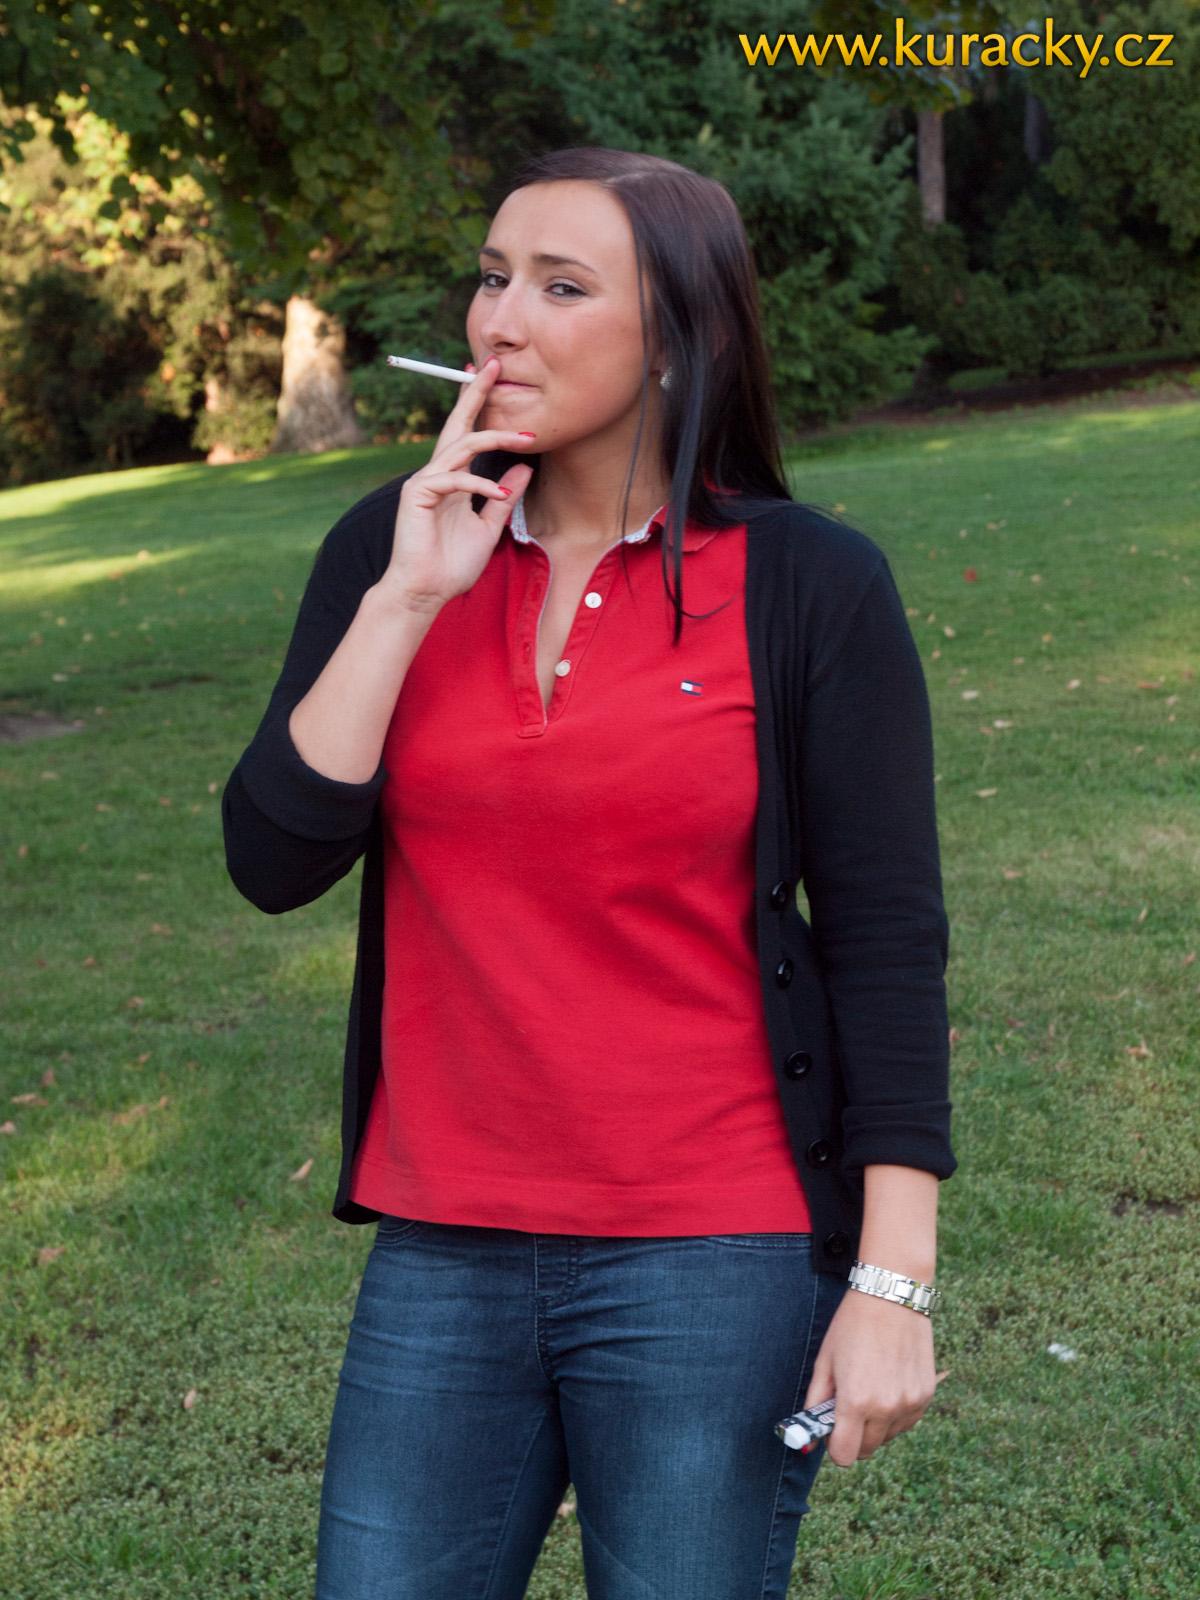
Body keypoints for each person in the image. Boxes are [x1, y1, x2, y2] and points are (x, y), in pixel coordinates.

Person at [222, 145, 957, 1600]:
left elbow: (884, 943)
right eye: (493, 278)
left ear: (677, 338)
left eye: (562, 289)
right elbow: (273, 858)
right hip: (444, 1239)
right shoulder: (395, 545)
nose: (499, 323)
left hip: (717, 1250)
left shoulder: (810, 585)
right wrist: (407, 598)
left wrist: (893, 1282)